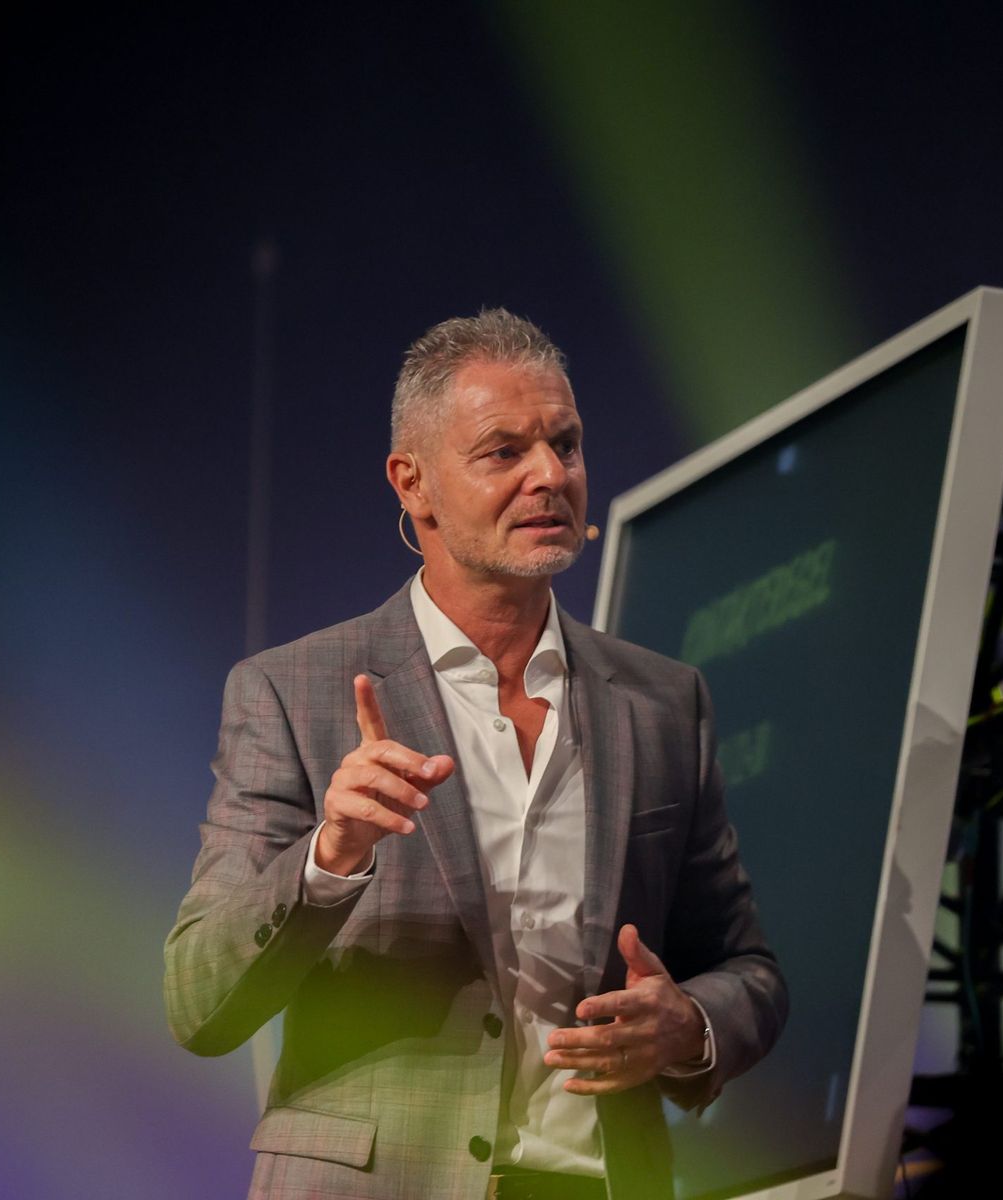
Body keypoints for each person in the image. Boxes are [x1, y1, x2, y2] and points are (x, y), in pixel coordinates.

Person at [163, 309, 786, 1200]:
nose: (551, 476)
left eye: (565, 445)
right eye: (504, 452)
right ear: (412, 483)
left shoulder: (662, 702)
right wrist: (328, 859)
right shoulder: (289, 691)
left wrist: (688, 1024)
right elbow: (199, 1004)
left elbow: (750, 971)